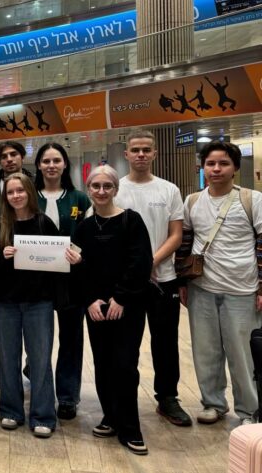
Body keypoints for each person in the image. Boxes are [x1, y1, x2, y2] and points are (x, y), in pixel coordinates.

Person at [0, 173, 78, 438]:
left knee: (39, 359)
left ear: (29, 193)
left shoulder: (44, 223)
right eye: (10, 192)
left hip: (39, 302)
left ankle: (43, 415)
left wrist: (69, 257)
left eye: (20, 191)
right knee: (8, 358)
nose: (15, 196)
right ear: (5, 196)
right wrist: (1, 256)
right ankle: (11, 410)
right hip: (5, 304)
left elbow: (57, 262)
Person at [73, 165, 153, 456]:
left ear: (116, 189)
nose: (102, 191)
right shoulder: (83, 227)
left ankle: (130, 427)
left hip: (127, 307)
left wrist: (121, 298)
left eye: (107, 186)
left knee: (125, 366)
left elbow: (140, 263)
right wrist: (91, 299)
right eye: (96, 186)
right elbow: (81, 269)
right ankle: (111, 416)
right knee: (103, 364)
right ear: (89, 189)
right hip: (96, 308)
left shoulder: (132, 221)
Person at [114, 130, 192, 427]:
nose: (141, 155)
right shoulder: (116, 189)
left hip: (164, 279)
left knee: (165, 341)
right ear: (127, 154)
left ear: (155, 154)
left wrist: (151, 262)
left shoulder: (169, 190)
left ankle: (168, 398)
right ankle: (123, 398)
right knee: (127, 343)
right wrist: (135, 269)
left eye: (147, 150)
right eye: (136, 150)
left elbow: (176, 234)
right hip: (128, 283)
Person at [181, 141, 262, 426]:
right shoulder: (192, 201)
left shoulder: (252, 200)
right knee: (206, 350)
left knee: (242, 354)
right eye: (210, 164)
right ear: (202, 167)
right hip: (202, 288)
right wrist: (183, 282)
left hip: (242, 288)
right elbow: (186, 242)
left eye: (223, 163)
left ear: (235, 168)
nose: (216, 169)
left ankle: (250, 410)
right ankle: (213, 403)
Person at [33, 142, 90, 420]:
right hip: (37, 279)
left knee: (71, 339)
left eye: (56, 160)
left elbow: (89, 234)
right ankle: (35, 377)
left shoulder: (80, 199)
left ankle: (67, 396)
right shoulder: (29, 196)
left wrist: (78, 255)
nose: (51, 165)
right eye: (46, 161)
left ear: (65, 164)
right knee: (38, 338)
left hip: (72, 279)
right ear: (39, 166)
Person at [0, 140, 33, 389]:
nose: (9, 159)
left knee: (34, 323)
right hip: (2, 260)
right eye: (3, 156)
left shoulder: (34, 183)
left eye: (13, 154)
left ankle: (31, 364)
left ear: (22, 156)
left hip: (33, 265)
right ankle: (0, 364)